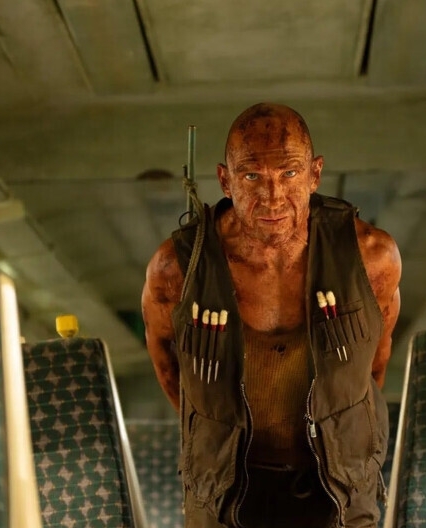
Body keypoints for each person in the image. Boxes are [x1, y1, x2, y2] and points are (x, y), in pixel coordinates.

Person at [141, 103, 401, 528]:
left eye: (289, 174)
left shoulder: (372, 257)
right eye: (251, 177)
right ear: (225, 180)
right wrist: (215, 429)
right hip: (224, 493)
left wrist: (342, 432)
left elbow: (374, 362)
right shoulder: (177, 267)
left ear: (315, 175)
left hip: (341, 491)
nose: (273, 196)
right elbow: (166, 361)